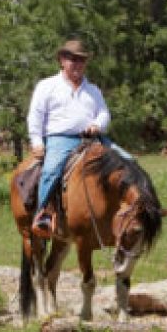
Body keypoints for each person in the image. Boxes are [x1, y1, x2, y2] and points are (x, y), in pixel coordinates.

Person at [27, 39, 110, 239]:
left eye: (81, 60)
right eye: (72, 59)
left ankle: (132, 209)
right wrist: (37, 142)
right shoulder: (47, 86)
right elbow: (35, 116)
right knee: (52, 170)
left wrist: (97, 125)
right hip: (60, 139)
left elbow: (104, 113)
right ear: (62, 60)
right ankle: (43, 214)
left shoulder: (93, 90)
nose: (77, 63)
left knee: (126, 161)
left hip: (92, 139)